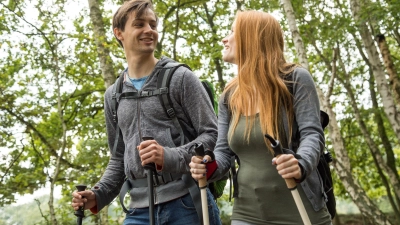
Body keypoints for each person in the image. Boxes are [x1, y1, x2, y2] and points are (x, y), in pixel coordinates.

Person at [71, 0, 221, 224]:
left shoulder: (180, 78)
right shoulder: (114, 95)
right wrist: (97, 195)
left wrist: (168, 156)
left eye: (153, 24)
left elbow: (213, 136)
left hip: (188, 203)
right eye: (139, 24)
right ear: (119, 33)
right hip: (138, 211)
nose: (149, 30)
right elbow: (119, 158)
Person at [189, 10, 333, 225]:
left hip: (300, 211)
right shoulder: (230, 95)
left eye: (231, 32)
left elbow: (312, 134)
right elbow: (223, 152)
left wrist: (300, 163)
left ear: (252, 38)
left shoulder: (295, 80)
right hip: (247, 213)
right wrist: (209, 165)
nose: (224, 39)